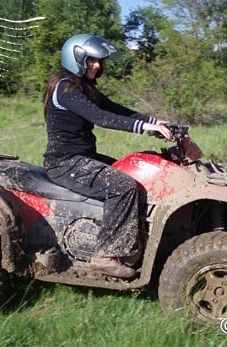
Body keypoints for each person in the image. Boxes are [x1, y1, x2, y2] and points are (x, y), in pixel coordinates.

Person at [42, 34, 173, 278]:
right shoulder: (65, 88)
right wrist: (144, 128)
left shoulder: (83, 87)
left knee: (132, 172)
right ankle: (105, 254)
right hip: (64, 163)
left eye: (100, 61)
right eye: (92, 60)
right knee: (122, 187)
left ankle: (134, 241)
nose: (97, 65)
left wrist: (156, 122)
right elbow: (101, 117)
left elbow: (115, 109)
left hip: (82, 158)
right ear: (77, 58)